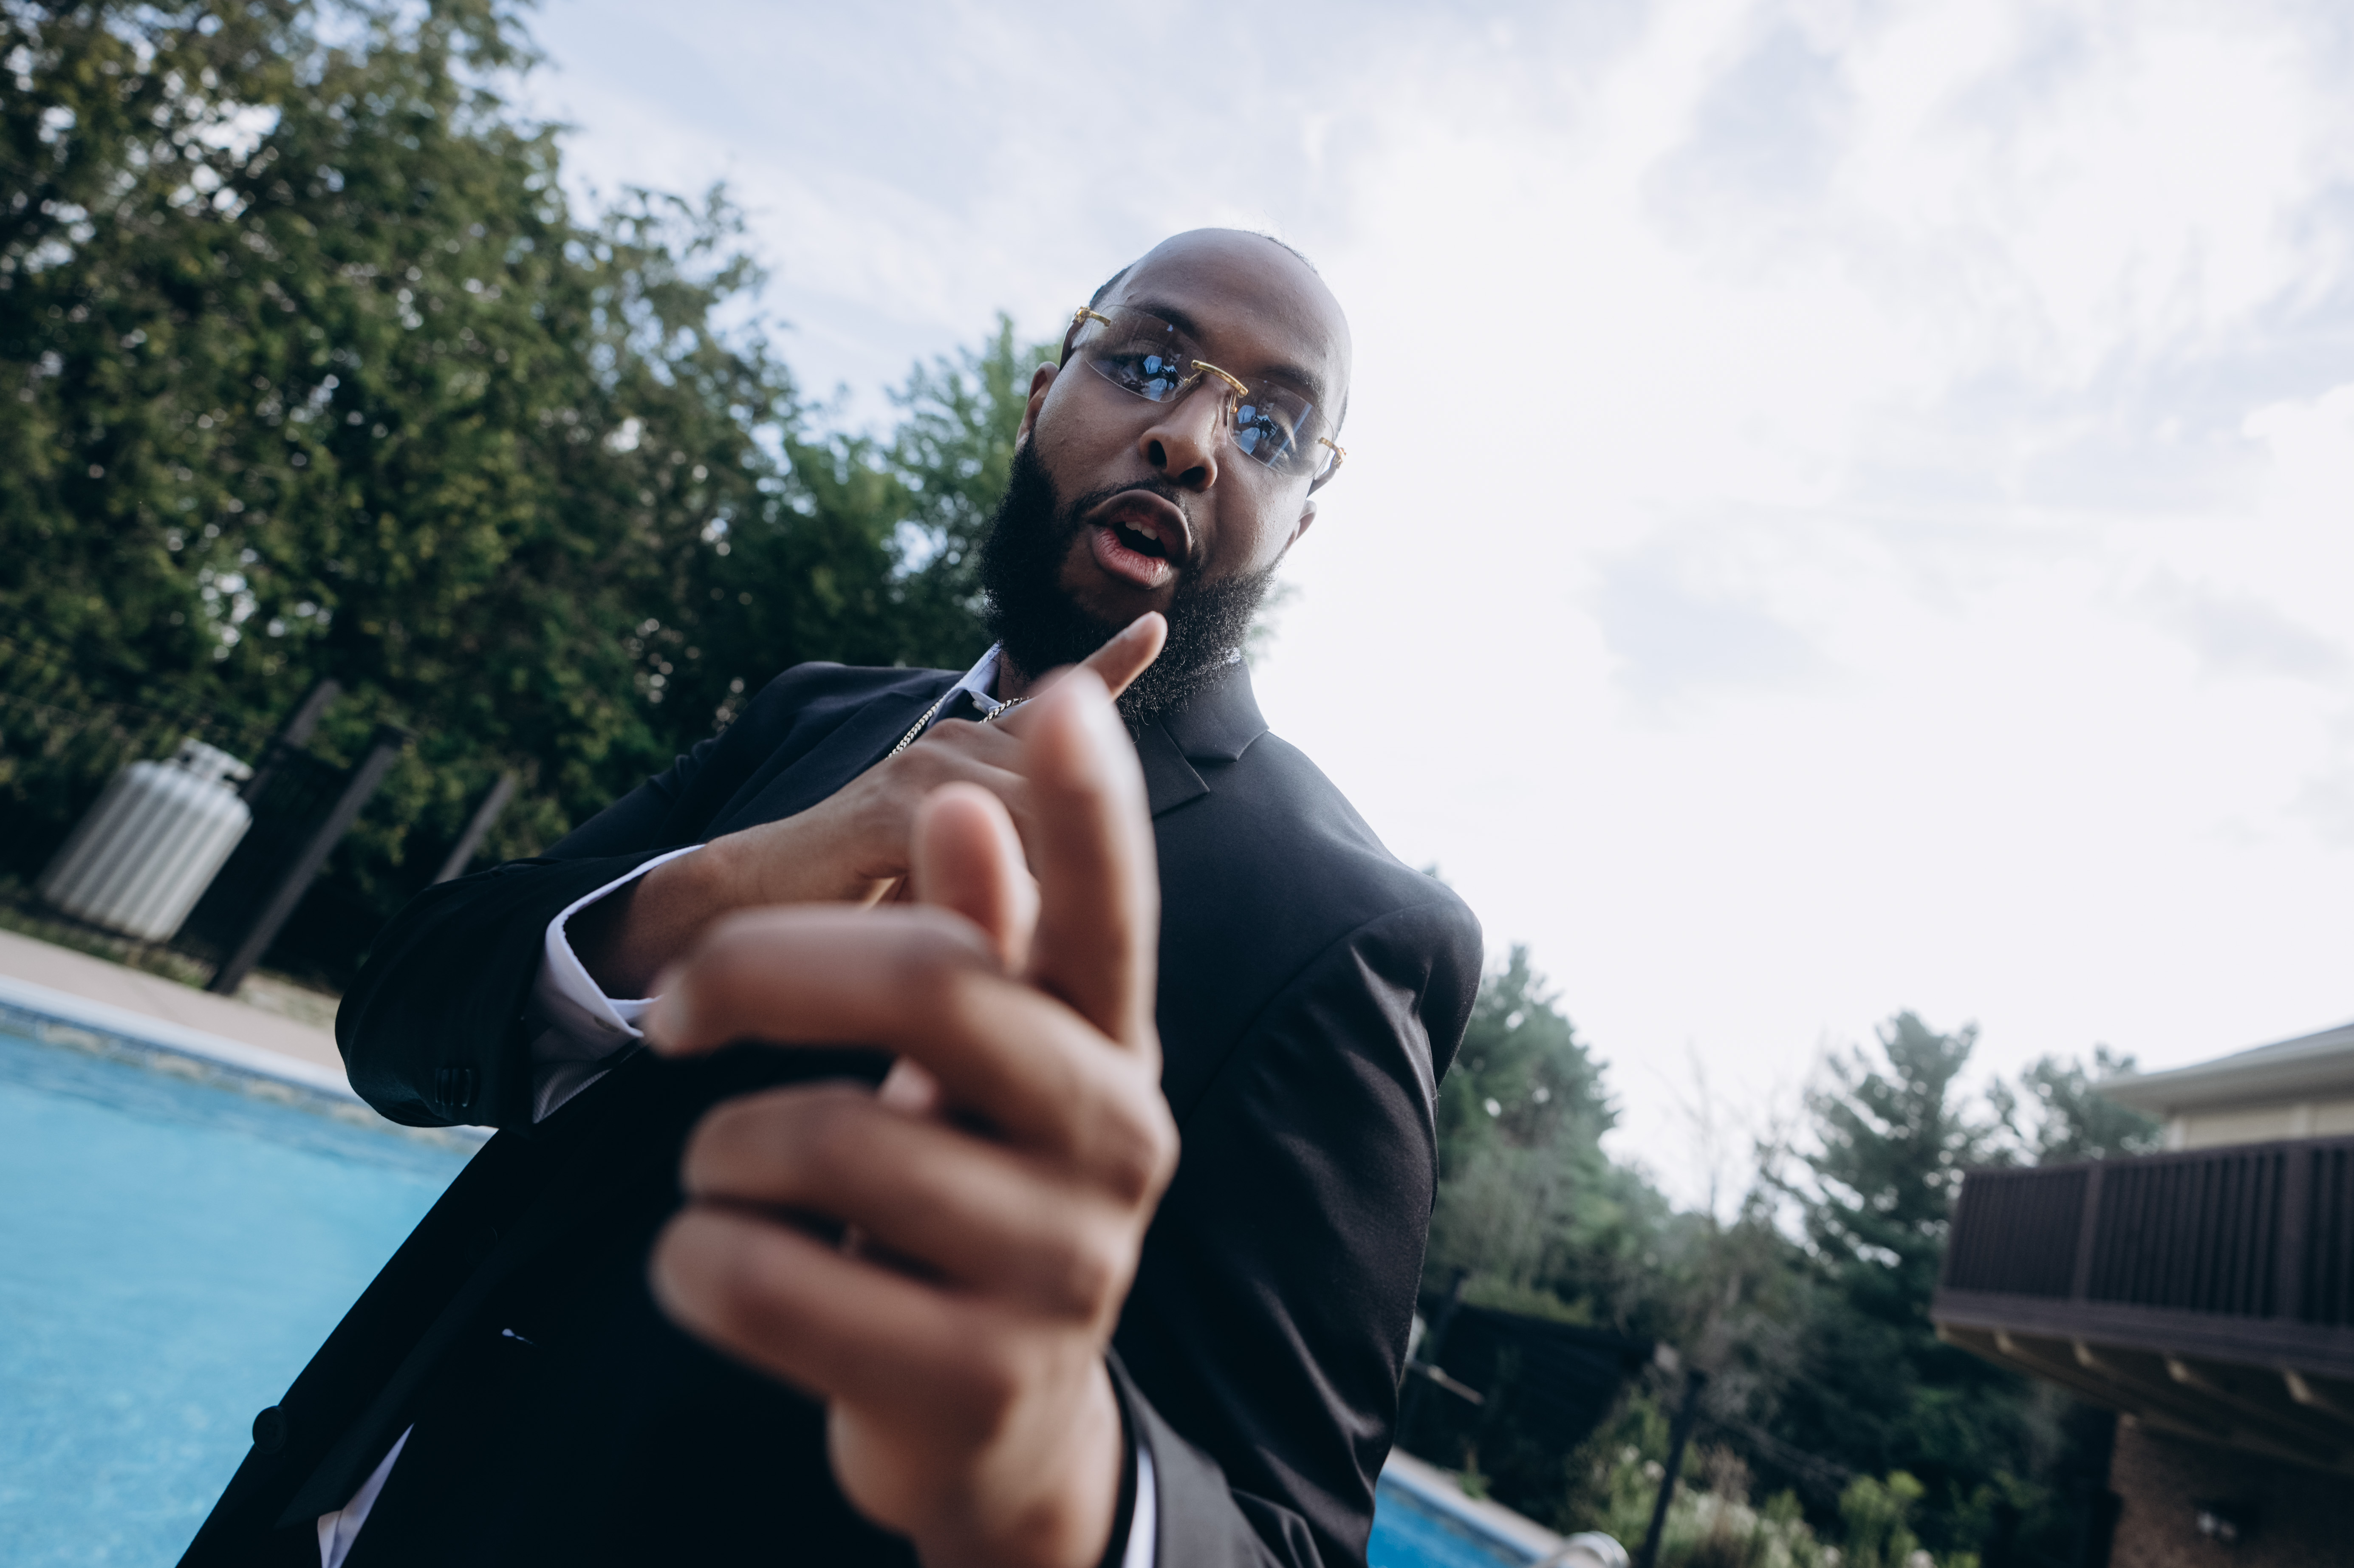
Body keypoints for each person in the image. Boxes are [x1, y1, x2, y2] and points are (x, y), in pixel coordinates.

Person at [179, 229, 1482, 1568]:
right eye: (1148, 362)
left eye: (1271, 428)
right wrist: (742, 878)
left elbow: (1285, 1536)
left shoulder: (1342, 930)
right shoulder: (813, 715)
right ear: (1043, 399)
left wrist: (1063, 1468)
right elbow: (396, 1030)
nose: (1192, 439)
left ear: (1294, 526)